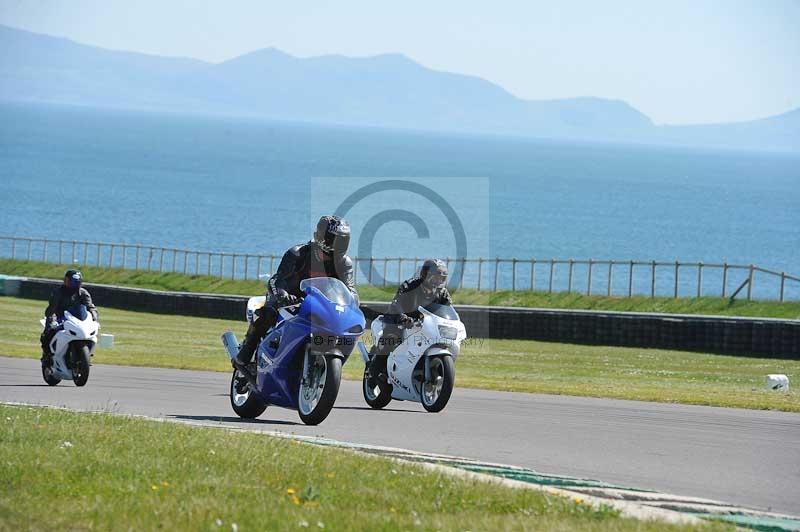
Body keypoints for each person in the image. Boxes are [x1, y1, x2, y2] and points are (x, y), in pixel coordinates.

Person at [232, 215, 356, 376]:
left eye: (342, 240)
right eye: (334, 239)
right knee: (267, 314)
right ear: (320, 236)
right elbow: (277, 279)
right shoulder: (298, 253)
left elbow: (349, 289)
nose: (337, 244)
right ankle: (243, 358)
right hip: (289, 301)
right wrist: (282, 294)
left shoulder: (344, 263)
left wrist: (352, 303)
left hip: (320, 305)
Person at [367, 258, 452, 381]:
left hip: (424, 324)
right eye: (435, 277)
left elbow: (448, 310)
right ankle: (373, 374)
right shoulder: (410, 285)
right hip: (398, 321)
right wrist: (402, 317)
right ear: (425, 275)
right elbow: (397, 303)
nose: (438, 281)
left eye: (441, 278)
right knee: (391, 340)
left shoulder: (443, 293)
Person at [40, 269, 98, 367]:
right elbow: (52, 309)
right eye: (69, 281)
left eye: (75, 282)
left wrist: (94, 316)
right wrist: (51, 320)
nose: (71, 284)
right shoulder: (58, 292)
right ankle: (47, 356)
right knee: (48, 334)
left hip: (78, 321)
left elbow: (90, 306)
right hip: (60, 319)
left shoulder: (83, 293)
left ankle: (86, 356)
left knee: (91, 334)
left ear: (80, 282)